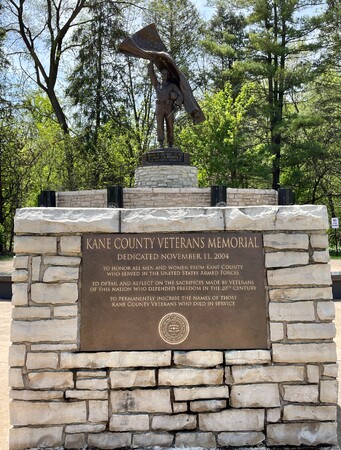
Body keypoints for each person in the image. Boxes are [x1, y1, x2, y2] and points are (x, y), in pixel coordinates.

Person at [148, 61, 184, 148]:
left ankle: (170, 143)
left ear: (168, 76)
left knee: (170, 125)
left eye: (165, 74)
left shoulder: (172, 86)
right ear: (161, 75)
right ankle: (160, 143)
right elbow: (152, 77)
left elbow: (180, 95)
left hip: (169, 107)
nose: (164, 75)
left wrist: (177, 103)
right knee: (159, 125)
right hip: (159, 107)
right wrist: (150, 67)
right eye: (162, 73)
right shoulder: (157, 85)